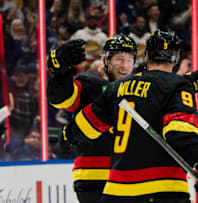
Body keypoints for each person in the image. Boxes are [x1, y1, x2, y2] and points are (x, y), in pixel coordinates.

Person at [66, 30, 198, 203]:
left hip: (116, 193)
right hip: (162, 190)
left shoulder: (117, 87)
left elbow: (85, 128)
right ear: (176, 58)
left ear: (146, 55)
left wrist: (69, 134)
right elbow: (179, 134)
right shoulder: (178, 85)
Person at [47, 34, 138, 203]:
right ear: (106, 60)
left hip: (129, 178)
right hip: (95, 178)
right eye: (119, 59)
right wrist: (61, 72)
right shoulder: (90, 84)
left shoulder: (140, 91)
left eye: (129, 60)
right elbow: (61, 98)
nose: (125, 65)